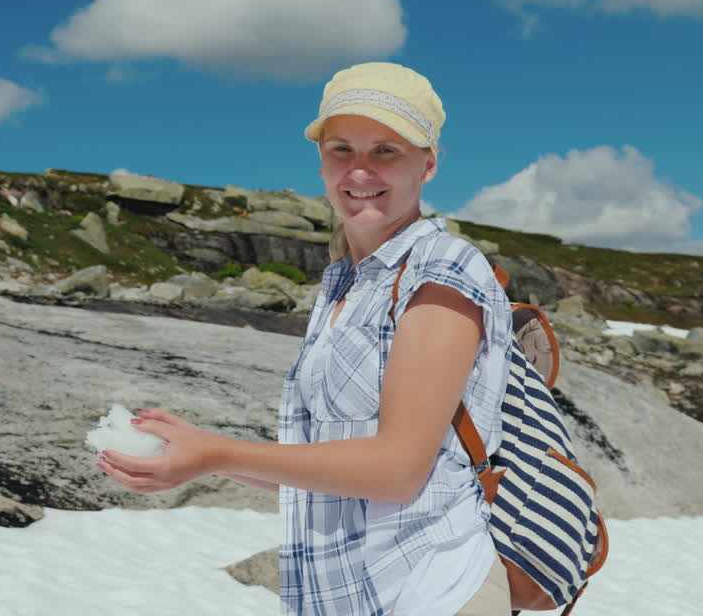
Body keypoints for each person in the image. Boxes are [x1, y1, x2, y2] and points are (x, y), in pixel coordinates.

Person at [97, 62, 513, 615]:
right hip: (345, 597)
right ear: (321, 161)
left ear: (428, 164)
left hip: (430, 590)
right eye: (342, 149)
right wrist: (204, 455)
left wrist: (218, 453)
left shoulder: (443, 270)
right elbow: (327, 469)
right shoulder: (345, 282)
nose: (359, 171)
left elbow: (398, 469)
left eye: (385, 151)